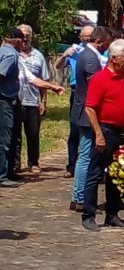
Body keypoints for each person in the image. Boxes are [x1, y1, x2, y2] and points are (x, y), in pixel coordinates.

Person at [81, 39, 124, 231]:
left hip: (122, 131)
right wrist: (99, 134)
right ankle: (89, 214)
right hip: (106, 130)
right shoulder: (100, 79)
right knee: (95, 173)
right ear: (114, 58)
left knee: (116, 174)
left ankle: (112, 213)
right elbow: (90, 109)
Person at [70, 26, 112, 212]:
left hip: (83, 111)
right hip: (86, 114)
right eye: (107, 45)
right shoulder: (90, 58)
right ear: (100, 42)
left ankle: (80, 196)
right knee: (85, 156)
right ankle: (79, 197)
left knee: (85, 155)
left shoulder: (87, 55)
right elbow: (96, 85)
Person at [55, 25, 94, 177]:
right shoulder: (75, 51)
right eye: (85, 37)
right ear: (80, 38)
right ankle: (72, 165)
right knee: (75, 129)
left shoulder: (99, 52)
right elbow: (57, 66)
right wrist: (65, 55)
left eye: (90, 37)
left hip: (92, 91)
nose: (88, 40)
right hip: (76, 91)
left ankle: (88, 165)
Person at [11, 24, 50, 174]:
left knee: (33, 134)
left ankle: (33, 162)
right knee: (15, 135)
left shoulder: (38, 56)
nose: (25, 38)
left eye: (28, 35)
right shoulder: (12, 55)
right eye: (22, 35)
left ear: (32, 37)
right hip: (16, 101)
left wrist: (43, 101)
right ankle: (15, 164)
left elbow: (42, 80)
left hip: (33, 101)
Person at [0, 28, 25, 187]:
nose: (23, 44)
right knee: (5, 138)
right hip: (5, 100)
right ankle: (2, 175)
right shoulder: (10, 54)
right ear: (16, 40)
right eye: (22, 40)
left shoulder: (1, 50)